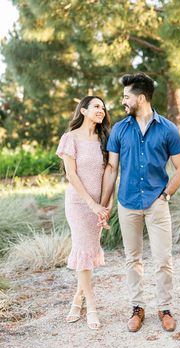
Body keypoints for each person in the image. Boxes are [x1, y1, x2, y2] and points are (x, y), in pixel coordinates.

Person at [100, 73, 180, 333]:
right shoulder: (119, 129)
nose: (123, 101)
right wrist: (104, 205)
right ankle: (137, 308)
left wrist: (166, 195)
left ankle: (165, 308)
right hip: (127, 203)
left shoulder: (168, 129)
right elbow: (112, 169)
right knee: (132, 259)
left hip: (156, 202)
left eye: (126, 97)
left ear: (141, 98)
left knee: (163, 258)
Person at [56, 96, 111, 330]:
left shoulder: (104, 139)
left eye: (103, 107)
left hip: (98, 206)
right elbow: (72, 175)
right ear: (84, 110)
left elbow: (110, 173)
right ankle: (92, 306)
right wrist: (91, 205)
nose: (102, 110)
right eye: (96, 106)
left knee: (88, 253)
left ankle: (77, 298)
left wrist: (105, 207)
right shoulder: (70, 138)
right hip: (79, 205)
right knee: (82, 251)